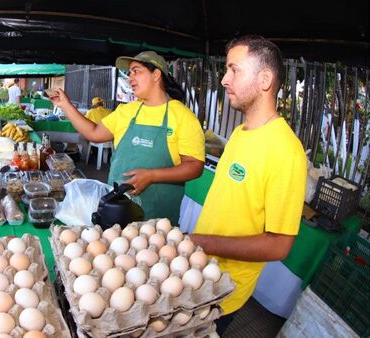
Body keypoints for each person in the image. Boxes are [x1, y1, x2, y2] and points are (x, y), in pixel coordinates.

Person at [190, 35, 307, 335]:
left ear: (265, 78)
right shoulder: (241, 132)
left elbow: (280, 244)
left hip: (223, 290)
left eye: (234, 69)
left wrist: (208, 243)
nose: (224, 80)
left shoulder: (286, 151)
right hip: (199, 269)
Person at [51, 51, 205, 224]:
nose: (130, 77)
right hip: (115, 210)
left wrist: (152, 175)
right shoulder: (127, 111)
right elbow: (93, 133)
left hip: (157, 220)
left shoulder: (183, 116)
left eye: (136, 71)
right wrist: (65, 105)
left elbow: (194, 166)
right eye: (130, 72)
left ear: (156, 74)